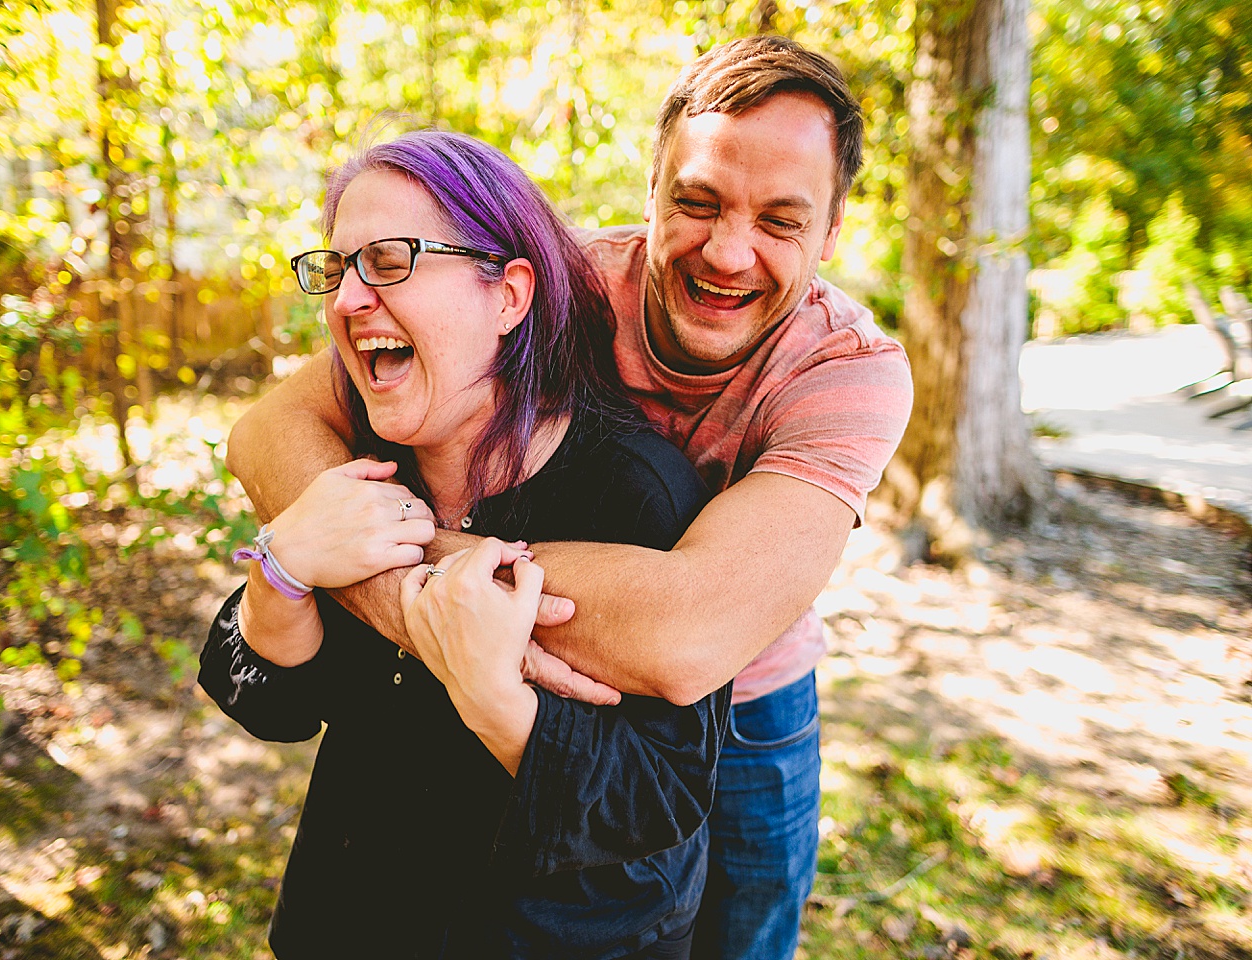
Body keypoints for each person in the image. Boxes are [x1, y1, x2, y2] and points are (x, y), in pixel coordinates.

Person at [225, 37, 914, 960]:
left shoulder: (847, 372)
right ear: (653, 190)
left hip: (746, 694)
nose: (729, 251)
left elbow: (686, 638)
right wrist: (382, 593)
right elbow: (267, 431)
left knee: (735, 935)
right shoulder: (560, 285)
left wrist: (406, 554)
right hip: (520, 666)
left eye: (782, 221)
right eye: (696, 202)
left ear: (831, 235)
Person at [199, 130, 731, 959]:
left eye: (389, 259)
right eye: (337, 271)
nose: (344, 301)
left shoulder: (640, 494)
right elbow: (272, 702)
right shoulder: (362, 466)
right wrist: (283, 566)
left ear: (509, 295)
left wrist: (494, 699)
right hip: (350, 920)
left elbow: (663, 795)